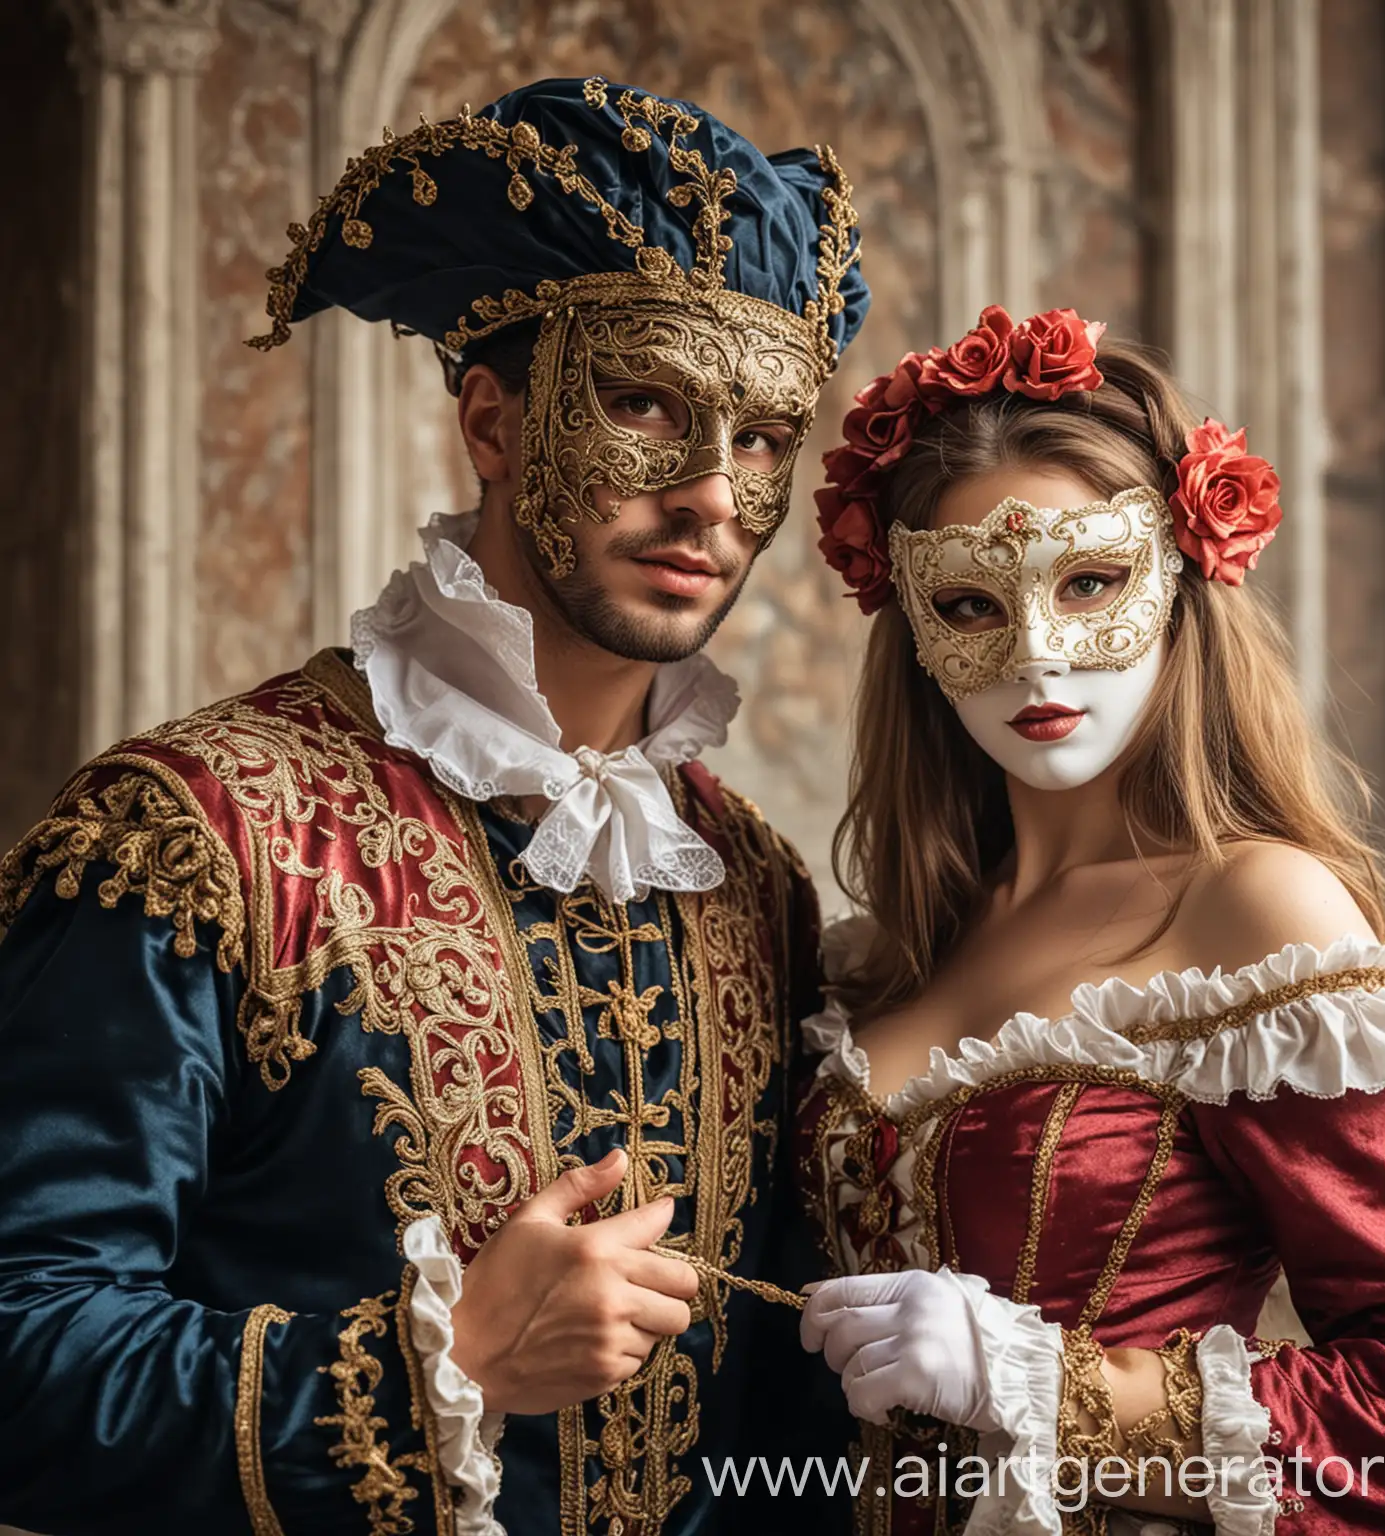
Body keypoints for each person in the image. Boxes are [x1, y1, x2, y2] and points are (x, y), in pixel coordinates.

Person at [0, 77, 866, 1535]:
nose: (715, 494)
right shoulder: (196, 834)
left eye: (768, 438)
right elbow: (24, 1349)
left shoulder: (753, 888)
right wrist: (440, 1362)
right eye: (646, 401)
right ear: (492, 419)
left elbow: (765, 1426)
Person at [794, 305, 1385, 1535]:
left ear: (1186, 579)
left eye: (1090, 582)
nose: (1038, 657)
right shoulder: (894, 948)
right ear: (914, 633)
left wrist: (1043, 1386)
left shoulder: (1254, 906)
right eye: (973, 605)